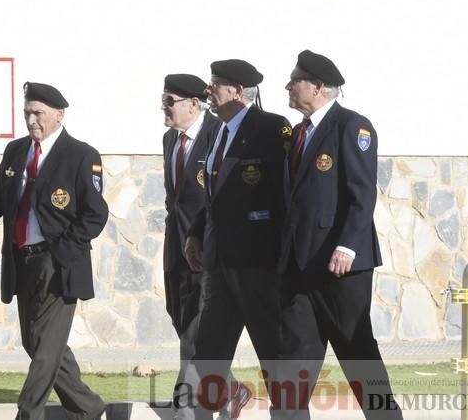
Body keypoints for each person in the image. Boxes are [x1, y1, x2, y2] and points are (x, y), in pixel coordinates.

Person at [0, 82, 108, 420]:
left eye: (39, 113)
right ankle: (89, 409)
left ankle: (27, 414)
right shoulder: (16, 152)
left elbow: (96, 213)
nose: (31, 120)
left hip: (58, 264)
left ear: (59, 115)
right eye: (27, 112)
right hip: (21, 261)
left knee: (46, 353)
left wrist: (65, 247)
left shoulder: (81, 155)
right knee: (37, 344)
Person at [275, 50, 403, 419]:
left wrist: (347, 245)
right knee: (292, 365)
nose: (288, 85)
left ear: (317, 87)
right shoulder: (299, 133)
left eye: (295, 79)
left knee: (358, 355)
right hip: (300, 269)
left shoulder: (351, 126)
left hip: (340, 267)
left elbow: (362, 193)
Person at [183, 59, 291, 419]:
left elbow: (284, 196)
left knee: (273, 355)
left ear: (238, 91)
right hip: (219, 263)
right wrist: (196, 232)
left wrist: (282, 255)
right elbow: (215, 195)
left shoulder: (271, 128)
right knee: (208, 356)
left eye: (215, 84)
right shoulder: (217, 130)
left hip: (258, 264)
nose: (208, 91)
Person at [161, 74, 248, 420]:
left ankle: (189, 409)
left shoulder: (219, 134)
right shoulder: (170, 139)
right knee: (184, 326)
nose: (163, 107)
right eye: (163, 100)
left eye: (170, 101)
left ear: (193, 104)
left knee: (195, 337)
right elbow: (176, 202)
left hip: (208, 253)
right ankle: (232, 388)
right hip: (176, 251)